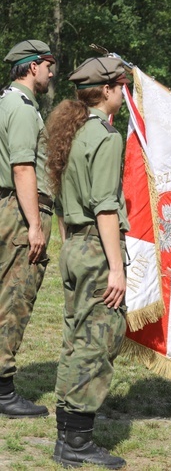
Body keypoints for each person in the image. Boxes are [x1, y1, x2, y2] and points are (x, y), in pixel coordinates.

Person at [46, 57, 130, 468]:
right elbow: (106, 207)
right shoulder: (106, 137)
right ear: (111, 90)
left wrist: (70, 244)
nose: (124, 94)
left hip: (76, 246)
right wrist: (116, 267)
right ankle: (77, 441)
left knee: (76, 336)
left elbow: (63, 200)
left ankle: (68, 433)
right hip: (97, 248)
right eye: (122, 87)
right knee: (98, 341)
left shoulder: (72, 132)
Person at [0, 39, 56, 418]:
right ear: (33, 66)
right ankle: (3, 389)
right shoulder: (20, 108)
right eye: (49, 66)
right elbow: (23, 168)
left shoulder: (5, 101)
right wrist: (35, 224)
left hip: (8, 206)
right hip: (19, 212)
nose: (52, 73)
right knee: (14, 298)